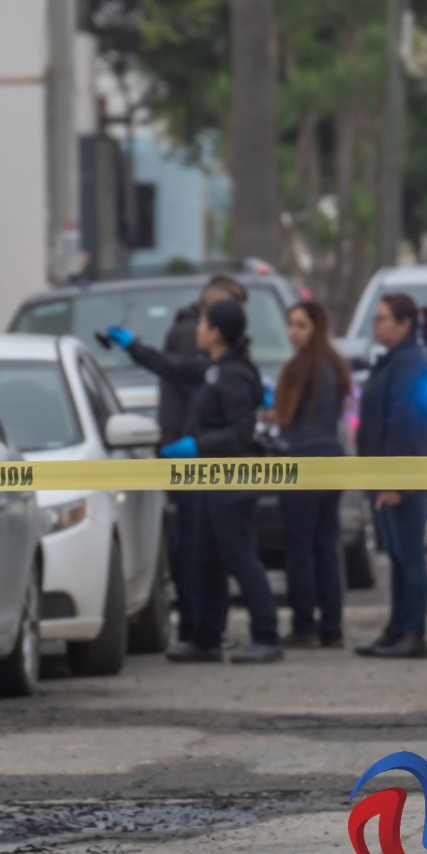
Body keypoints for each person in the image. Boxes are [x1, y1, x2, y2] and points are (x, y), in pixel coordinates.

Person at [104, 300, 281, 664]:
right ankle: (206, 640)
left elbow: (240, 432)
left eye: (203, 324)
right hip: (209, 484)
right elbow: (172, 367)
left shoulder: (233, 374)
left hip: (231, 485)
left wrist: (197, 445)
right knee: (208, 561)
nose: (197, 330)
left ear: (217, 332)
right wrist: (132, 345)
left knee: (240, 559)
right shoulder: (214, 369)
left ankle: (267, 637)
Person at [158, 275, 249, 647]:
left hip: (202, 452)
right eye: (232, 312)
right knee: (197, 547)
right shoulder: (191, 338)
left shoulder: (217, 349)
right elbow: (200, 388)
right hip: (196, 455)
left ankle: (206, 629)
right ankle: (200, 629)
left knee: (203, 546)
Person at [355, 293, 427, 660]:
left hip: (405, 473)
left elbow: (403, 424)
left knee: (410, 555)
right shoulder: (392, 360)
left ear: (405, 324)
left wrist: (394, 480)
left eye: (383, 319)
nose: (377, 326)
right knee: (397, 554)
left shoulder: (408, 363)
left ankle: (413, 632)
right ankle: (396, 627)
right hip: (385, 472)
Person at [266, 300, 351, 649]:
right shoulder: (335, 364)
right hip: (332, 459)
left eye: (301, 325)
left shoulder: (298, 368)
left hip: (300, 460)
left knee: (300, 548)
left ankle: (304, 626)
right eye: (290, 324)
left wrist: (266, 413)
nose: (293, 332)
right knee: (326, 546)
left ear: (315, 328)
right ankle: (332, 627)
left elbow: (284, 419)